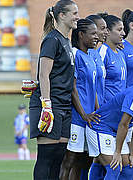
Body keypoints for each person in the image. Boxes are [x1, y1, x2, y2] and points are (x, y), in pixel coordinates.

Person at [28, 1, 79, 179]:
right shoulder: (52, 39)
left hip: (64, 105)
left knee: (59, 157)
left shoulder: (65, 40)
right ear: (61, 16)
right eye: (73, 13)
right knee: (46, 157)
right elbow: (43, 75)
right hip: (50, 105)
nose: (77, 17)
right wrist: (46, 106)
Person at [59, 18, 100, 180]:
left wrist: (96, 111)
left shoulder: (89, 55)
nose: (96, 37)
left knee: (83, 161)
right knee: (69, 160)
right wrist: (83, 115)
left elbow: (92, 88)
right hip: (77, 117)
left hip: (89, 117)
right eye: (93, 33)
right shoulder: (75, 54)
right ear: (81, 35)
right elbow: (73, 87)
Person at [98, 14, 127, 104]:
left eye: (123, 29)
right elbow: (97, 82)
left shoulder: (121, 53)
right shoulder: (103, 52)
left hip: (119, 106)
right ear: (108, 31)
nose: (123, 33)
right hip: (107, 107)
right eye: (119, 30)